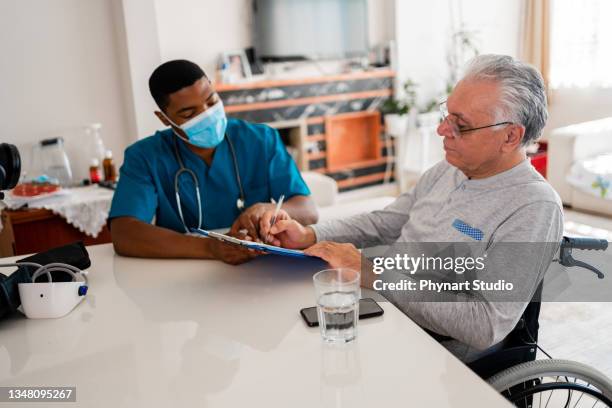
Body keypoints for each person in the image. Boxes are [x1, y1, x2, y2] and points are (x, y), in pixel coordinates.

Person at [263, 54, 563, 362]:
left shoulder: (534, 207)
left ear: (510, 136)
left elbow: (485, 324)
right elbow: (384, 222)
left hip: (433, 348)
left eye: (461, 125)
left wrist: (376, 273)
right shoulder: (449, 169)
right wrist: (309, 234)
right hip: (386, 309)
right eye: (447, 115)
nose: (442, 131)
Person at [109, 59, 317, 263]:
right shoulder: (145, 156)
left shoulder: (259, 139)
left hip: (258, 266)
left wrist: (271, 210)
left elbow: (308, 209)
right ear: (165, 118)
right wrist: (211, 248)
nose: (207, 115)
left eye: (211, 101)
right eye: (189, 113)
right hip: (186, 269)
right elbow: (124, 233)